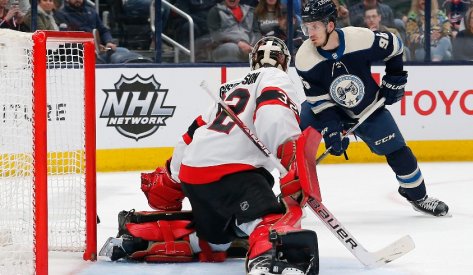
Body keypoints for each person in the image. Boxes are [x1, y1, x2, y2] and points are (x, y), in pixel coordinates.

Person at [99, 36, 320, 275]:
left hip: (194, 174)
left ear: (252, 60)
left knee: (218, 239)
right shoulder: (276, 77)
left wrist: (172, 181)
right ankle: (267, 263)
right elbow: (274, 116)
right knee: (270, 220)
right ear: (285, 63)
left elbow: (190, 137)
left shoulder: (228, 88)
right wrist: (290, 168)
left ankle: (145, 236)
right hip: (232, 173)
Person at [295, 0, 449, 217]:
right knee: (299, 133)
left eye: (315, 27)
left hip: (366, 106)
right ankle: (292, 194)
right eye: (306, 27)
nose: (309, 33)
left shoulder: (360, 38)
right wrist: (331, 130)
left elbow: (395, 45)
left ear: (330, 25)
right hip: (329, 108)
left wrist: (395, 76)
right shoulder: (304, 58)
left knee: (397, 150)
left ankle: (418, 196)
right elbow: (320, 102)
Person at [55, 0, 147, 64]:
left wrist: (109, 42)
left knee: (124, 51)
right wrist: (94, 46)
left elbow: (103, 30)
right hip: (81, 53)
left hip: (99, 50)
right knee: (117, 58)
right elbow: (69, 37)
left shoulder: (92, 12)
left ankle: (141, 62)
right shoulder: (61, 15)